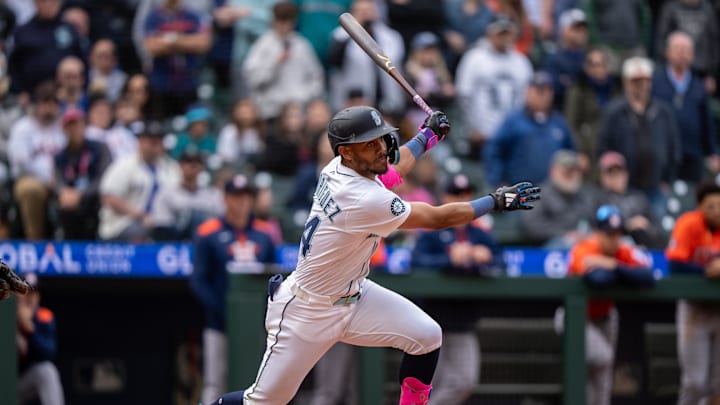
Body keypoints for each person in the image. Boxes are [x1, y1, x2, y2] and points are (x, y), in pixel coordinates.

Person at [206, 106, 540, 405]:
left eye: (382, 139)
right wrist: (494, 202)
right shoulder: (361, 198)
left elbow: (393, 171)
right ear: (347, 153)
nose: (382, 148)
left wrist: (427, 136)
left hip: (354, 295)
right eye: (370, 143)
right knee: (263, 402)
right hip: (308, 310)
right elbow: (438, 218)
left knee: (427, 336)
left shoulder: (340, 168)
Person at [411, 173, 505, 405]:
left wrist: (485, 257)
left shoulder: (479, 233)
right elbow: (416, 262)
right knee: (436, 384)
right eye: (456, 194)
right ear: (444, 197)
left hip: (463, 321)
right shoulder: (431, 230)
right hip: (432, 321)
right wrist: (448, 259)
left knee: (463, 381)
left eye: (466, 195)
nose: (462, 199)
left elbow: (502, 263)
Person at [190, 173, 277, 405]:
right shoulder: (208, 232)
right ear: (226, 199)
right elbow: (199, 281)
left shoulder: (265, 234)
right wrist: (225, 312)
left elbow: (274, 280)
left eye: (247, 196)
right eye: (237, 196)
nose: (242, 202)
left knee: (255, 384)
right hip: (219, 323)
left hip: (255, 325)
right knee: (214, 383)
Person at [556, 204, 654, 405]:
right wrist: (622, 271)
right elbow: (598, 280)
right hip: (574, 319)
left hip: (605, 318)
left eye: (618, 234)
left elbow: (648, 276)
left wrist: (613, 265)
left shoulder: (621, 251)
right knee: (601, 360)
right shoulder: (584, 248)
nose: (614, 239)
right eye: (609, 233)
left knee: (602, 380)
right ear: (596, 232)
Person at [597, 56, 682, 220]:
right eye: (635, 81)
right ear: (626, 82)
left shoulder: (663, 111)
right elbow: (603, 148)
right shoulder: (613, 112)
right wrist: (612, 177)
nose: (641, 86)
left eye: (645, 80)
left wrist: (667, 179)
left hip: (656, 185)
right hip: (624, 189)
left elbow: (674, 148)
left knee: (654, 230)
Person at [666, 181, 720, 405]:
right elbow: (675, 264)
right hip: (694, 309)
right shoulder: (688, 224)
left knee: (718, 384)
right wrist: (707, 269)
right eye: (711, 206)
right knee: (695, 383)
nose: (717, 211)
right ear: (700, 206)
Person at [454, 14, 533, 156]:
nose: (504, 38)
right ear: (489, 33)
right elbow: (464, 96)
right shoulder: (475, 58)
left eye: (507, 33)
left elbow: (528, 99)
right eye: (500, 33)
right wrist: (472, 128)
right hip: (483, 136)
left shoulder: (521, 62)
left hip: (513, 136)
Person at [484, 71, 576, 188]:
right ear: (527, 92)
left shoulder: (559, 123)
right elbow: (493, 150)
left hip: (553, 195)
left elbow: (570, 153)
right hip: (518, 193)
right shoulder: (513, 121)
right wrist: (497, 181)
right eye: (537, 91)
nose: (541, 96)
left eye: (545, 91)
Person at [651, 31, 719, 185]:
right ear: (667, 52)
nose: (682, 54)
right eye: (678, 49)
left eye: (686, 50)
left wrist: (713, 152)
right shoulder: (656, 83)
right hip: (663, 153)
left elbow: (706, 123)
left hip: (692, 154)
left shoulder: (699, 86)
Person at [98, 120, 181, 242]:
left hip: (162, 223)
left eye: (158, 141)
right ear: (140, 142)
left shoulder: (171, 167)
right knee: (140, 232)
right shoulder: (124, 165)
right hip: (122, 223)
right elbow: (109, 198)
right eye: (150, 140)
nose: (154, 145)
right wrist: (141, 216)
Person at [242, 1, 325, 122]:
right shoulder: (262, 45)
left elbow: (317, 76)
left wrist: (306, 97)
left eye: (288, 22)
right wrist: (275, 63)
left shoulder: (301, 45)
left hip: (298, 113)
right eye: (281, 22)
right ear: (274, 21)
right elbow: (253, 80)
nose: (285, 26)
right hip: (271, 113)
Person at [7, 81, 65, 240]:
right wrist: (49, 179)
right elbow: (20, 164)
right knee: (29, 189)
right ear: (36, 104)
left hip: (62, 180)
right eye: (45, 103)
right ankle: (35, 243)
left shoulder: (64, 127)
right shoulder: (23, 127)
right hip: (32, 180)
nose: (49, 108)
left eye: (53, 103)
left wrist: (60, 181)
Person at [327, 0, 405, 115]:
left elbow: (398, 65)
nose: (365, 14)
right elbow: (334, 61)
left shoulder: (391, 37)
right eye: (360, 11)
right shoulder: (340, 36)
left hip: (388, 103)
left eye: (368, 10)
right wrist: (354, 29)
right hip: (355, 102)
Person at [142, 0, 212, 119]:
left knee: (190, 122)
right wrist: (187, 42)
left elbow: (203, 43)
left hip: (188, 82)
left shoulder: (193, 15)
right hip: (162, 82)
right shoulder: (153, 17)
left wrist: (171, 40)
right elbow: (151, 46)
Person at [53, 108, 112, 240]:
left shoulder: (100, 148)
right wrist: (63, 192)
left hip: (93, 196)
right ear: (64, 129)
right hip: (70, 199)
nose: (74, 130)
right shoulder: (60, 155)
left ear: (84, 126)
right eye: (70, 126)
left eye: (77, 125)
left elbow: (105, 177)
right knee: (63, 207)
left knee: (101, 202)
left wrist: (81, 194)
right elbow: (57, 179)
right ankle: (69, 245)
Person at [520, 149, 594, 248]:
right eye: (566, 170)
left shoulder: (584, 195)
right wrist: (564, 234)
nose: (571, 174)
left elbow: (593, 222)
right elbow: (532, 226)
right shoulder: (539, 194)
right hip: (549, 247)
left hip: (583, 243)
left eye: (574, 170)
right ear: (553, 171)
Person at [593, 151, 665, 249]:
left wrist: (645, 226)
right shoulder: (597, 199)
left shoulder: (639, 197)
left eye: (619, 172)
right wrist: (628, 225)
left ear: (626, 174)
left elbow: (657, 227)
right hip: (613, 246)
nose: (616, 177)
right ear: (602, 177)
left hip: (642, 244)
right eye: (610, 173)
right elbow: (595, 229)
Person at [151, 148, 224, 241]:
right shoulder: (166, 193)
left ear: (202, 167)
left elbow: (222, 226)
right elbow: (162, 228)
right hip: (178, 246)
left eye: (197, 162)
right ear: (180, 166)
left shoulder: (213, 195)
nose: (193, 165)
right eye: (188, 161)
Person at [16, 273, 65, 405]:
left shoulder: (43, 317)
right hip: (4, 383)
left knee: (47, 371)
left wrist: (29, 329)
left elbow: (48, 352)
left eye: (33, 293)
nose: (29, 298)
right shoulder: (5, 315)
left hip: (22, 384)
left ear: (38, 297)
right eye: (25, 292)